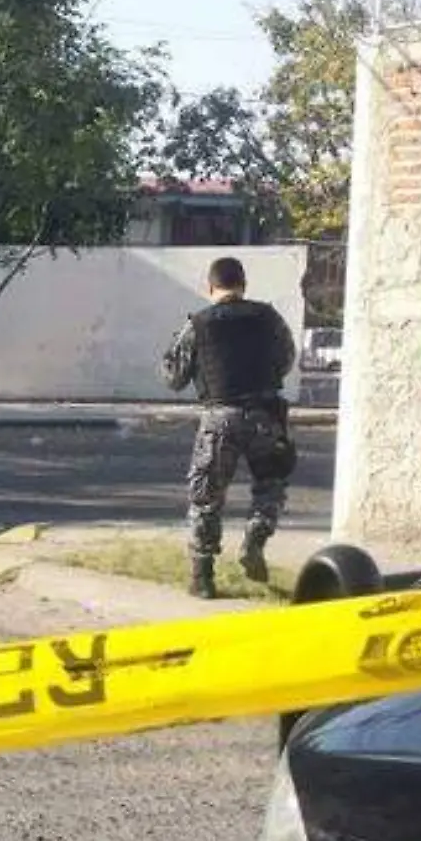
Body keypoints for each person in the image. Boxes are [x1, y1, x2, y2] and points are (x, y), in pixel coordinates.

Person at [161, 256, 298, 599]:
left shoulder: (199, 324)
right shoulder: (268, 317)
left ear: (210, 287)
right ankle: (255, 537)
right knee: (270, 485)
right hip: (265, 414)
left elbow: (174, 378)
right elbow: (286, 358)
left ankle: (203, 577)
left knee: (206, 498)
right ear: (244, 285)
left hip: (219, 418)